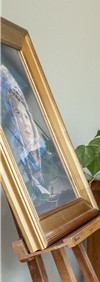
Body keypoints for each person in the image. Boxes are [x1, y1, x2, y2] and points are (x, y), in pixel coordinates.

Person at [0, 64, 75, 212]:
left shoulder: (52, 156)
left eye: (26, 115)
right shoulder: (18, 167)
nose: (25, 123)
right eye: (17, 115)